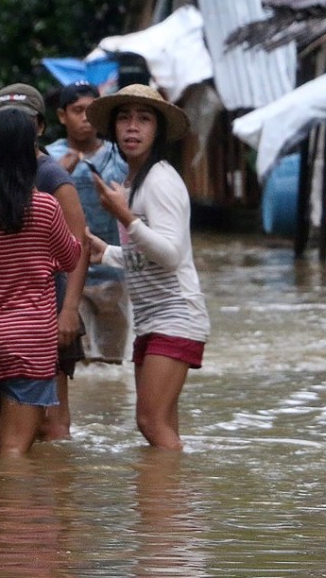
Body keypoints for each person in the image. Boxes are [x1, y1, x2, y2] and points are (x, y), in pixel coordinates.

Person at [84, 84, 210, 450]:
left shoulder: (160, 181)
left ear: (158, 130)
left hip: (176, 315)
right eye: (124, 118)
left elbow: (171, 255)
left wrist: (124, 215)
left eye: (143, 119)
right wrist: (107, 252)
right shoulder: (133, 182)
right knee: (161, 423)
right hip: (153, 318)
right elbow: (147, 257)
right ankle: (169, 503)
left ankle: (166, 502)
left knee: (149, 421)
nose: (132, 127)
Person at [0, 109, 81, 455]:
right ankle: (11, 509)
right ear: (30, 151)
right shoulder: (46, 208)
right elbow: (70, 259)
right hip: (30, 342)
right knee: (14, 453)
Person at [0, 84, 90, 442]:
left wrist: (70, 310)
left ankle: (58, 492)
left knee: (52, 421)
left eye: (24, 122)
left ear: (41, 128)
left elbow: (80, 249)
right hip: (8, 316)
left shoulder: (51, 177)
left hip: (50, 309)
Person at [46, 82, 133, 364]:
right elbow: (32, 202)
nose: (85, 117)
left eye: (90, 111)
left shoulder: (119, 155)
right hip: (68, 275)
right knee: (76, 360)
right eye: (77, 111)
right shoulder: (48, 157)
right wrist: (58, 174)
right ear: (62, 116)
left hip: (113, 271)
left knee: (111, 362)